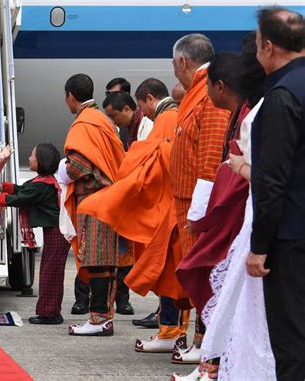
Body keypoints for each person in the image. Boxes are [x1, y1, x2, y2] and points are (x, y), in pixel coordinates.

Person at [173, 38, 267, 381]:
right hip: (234, 207)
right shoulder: (245, 105)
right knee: (228, 292)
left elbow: (216, 160)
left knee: (217, 281)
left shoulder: (247, 109)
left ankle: (213, 361)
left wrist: (207, 211)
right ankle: (215, 362)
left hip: (237, 209)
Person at [248, 8, 305, 380]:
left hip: (291, 236)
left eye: (256, 44)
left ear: (268, 46)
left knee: (292, 339)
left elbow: (272, 180)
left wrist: (259, 246)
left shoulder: (282, 97)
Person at [169, 34, 230, 365]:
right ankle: (200, 343)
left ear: (182, 62)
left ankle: (207, 348)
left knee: (204, 274)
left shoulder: (209, 94)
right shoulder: (198, 92)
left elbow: (210, 156)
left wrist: (202, 209)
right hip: (188, 199)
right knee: (196, 275)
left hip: (198, 203)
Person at [59, 73, 124, 336]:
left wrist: (62, 173)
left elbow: (81, 165)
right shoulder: (103, 120)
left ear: (70, 96)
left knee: (97, 261)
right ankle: (104, 316)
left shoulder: (84, 123)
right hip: (109, 197)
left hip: (95, 199)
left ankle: (99, 319)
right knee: (106, 261)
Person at [0, 143, 71, 325]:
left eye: (32, 156)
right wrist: (4, 186)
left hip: (56, 233)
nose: (29, 158)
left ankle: (49, 314)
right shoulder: (44, 181)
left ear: (41, 161)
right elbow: (23, 189)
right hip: (56, 233)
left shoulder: (42, 185)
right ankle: (51, 311)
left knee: (49, 273)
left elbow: (21, 198)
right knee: (51, 272)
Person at [131, 78, 179, 332]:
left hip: (169, 204)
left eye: (143, 107)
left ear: (150, 98)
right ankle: (170, 328)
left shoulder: (166, 119)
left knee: (169, 267)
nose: (144, 114)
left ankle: (171, 330)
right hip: (170, 201)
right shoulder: (171, 115)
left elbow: (161, 160)